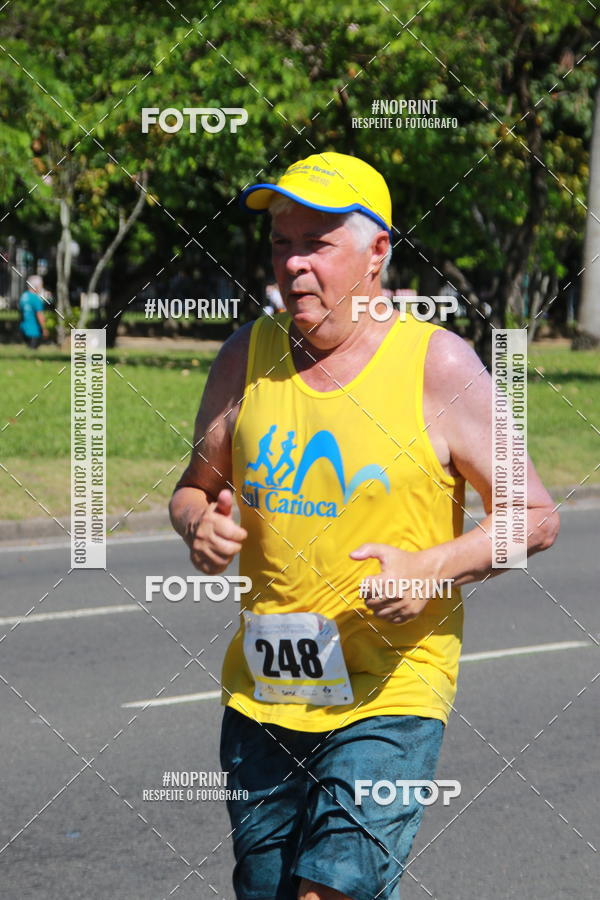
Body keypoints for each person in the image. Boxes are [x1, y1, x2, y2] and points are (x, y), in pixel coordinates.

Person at [169, 152, 559, 900]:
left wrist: (435, 566)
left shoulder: (436, 366)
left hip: (393, 689)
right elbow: (194, 489)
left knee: (331, 892)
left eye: (315, 243)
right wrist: (198, 526)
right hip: (266, 691)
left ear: (376, 252)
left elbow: (535, 517)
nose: (292, 265)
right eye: (281, 243)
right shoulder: (243, 359)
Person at [18, 275, 48, 349]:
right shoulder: (36, 298)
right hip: (34, 331)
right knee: (33, 352)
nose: (41, 287)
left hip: (23, 329)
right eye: (41, 285)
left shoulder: (24, 296)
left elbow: (20, 312)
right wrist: (44, 329)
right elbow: (39, 314)